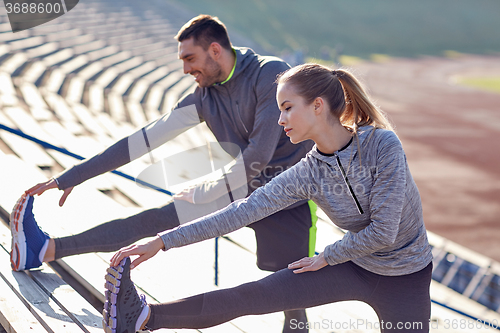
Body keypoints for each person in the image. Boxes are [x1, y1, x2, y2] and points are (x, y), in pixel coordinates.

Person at [13, 15, 315, 332]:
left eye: (190, 58)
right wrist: (72, 176)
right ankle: (43, 249)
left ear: (215, 50)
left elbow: (258, 154)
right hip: (237, 188)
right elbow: (143, 140)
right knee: (152, 220)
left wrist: (205, 191)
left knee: (291, 293)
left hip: (286, 197)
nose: (185, 69)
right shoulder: (205, 95)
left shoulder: (270, 74)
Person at [103, 63, 434, 333]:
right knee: (253, 296)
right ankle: (144, 317)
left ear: (318, 106)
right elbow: (242, 211)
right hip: (353, 265)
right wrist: (162, 241)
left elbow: (385, 231)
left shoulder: (382, 145)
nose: (280, 120)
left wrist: (328, 256)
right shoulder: (308, 173)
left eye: (288, 108)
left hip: (406, 277)